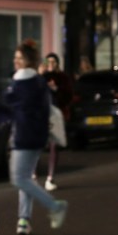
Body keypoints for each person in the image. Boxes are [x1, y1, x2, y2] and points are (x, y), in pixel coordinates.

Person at [5, 40, 68, 235]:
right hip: (28, 136)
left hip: (27, 137)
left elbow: (18, 108)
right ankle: (24, 219)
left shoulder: (27, 82)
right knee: (26, 177)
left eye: (19, 58)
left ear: (28, 61)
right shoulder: (28, 80)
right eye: (15, 57)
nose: (15, 61)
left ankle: (54, 206)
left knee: (19, 178)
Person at [41, 52, 74, 191]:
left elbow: (68, 96)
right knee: (37, 144)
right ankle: (32, 174)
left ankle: (50, 176)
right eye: (48, 62)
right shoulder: (41, 78)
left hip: (56, 115)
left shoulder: (63, 78)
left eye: (53, 62)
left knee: (54, 145)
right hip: (41, 115)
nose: (51, 65)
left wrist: (56, 89)